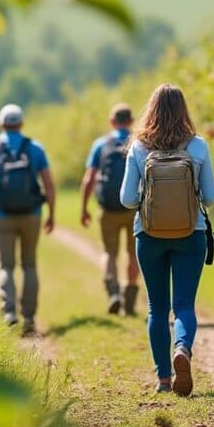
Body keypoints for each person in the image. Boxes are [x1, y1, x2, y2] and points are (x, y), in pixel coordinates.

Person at [120, 85, 214, 396]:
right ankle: (182, 349)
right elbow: (211, 198)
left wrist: (149, 201)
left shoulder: (138, 147)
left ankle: (163, 379)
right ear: (183, 110)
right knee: (185, 305)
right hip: (191, 233)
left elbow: (125, 199)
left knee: (156, 307)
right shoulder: (198, 146)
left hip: (149, 235)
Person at [0, 104, 56, 336]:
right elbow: (49, 185)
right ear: (21, 124)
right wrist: (51, 213)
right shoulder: (35, 148)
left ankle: (9, 312)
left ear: (1, 124)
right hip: (32, 214)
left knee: (6, 266)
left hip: (3, 215)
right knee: (29, 265)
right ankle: (30, 318)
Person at [79, 103, 140, 316]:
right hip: (133, 208)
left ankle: (113, 292)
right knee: (133, 253)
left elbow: (89, 178)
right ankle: (130, 298)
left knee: (109, 253)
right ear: (131, 121)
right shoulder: (139, 141)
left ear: (112, 122)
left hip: (108, 209)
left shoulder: (100, 144)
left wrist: (84, 208)